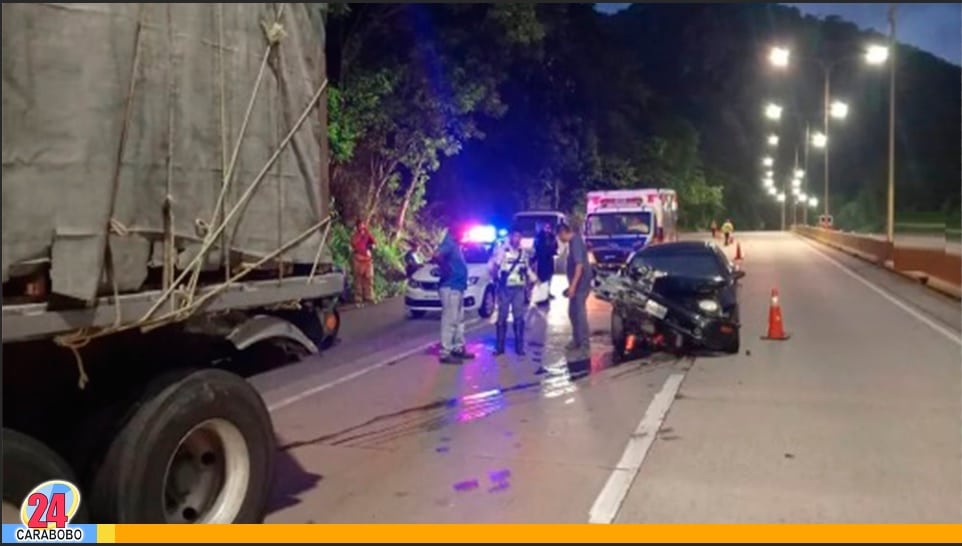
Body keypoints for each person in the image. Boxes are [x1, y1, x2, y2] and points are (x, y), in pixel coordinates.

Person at [489, 225, 535, 356]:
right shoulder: (503, 250)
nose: (518, 239)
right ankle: (499, 347)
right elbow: (494, 267)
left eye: (519, 236)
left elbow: (526, 268)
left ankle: (519, 348)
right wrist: (496, 281)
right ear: (510, 236)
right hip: (505, 288)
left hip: (519, 288)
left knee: (519, 318)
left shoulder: (523, 252)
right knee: (502, 317)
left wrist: (533, 280)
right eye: (515, 236)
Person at [434, 224, 475, 364]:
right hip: (450, 287)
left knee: (458, 320)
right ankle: (445, 352)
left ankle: (458, 347)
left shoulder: (455, 244)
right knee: (450, 320)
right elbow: (437, 255)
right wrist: (446, 269)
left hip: (458, 287)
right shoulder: (449, 243)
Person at [557, 223, 591, 356]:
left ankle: (584, 343)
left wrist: (573, 287)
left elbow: (579, 266)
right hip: (577, 284)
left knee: (579, 313)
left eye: (559, 236)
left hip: (580, 285)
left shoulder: (575, 242)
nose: (559, 239)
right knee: (572, 312)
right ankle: (576, 340)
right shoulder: (572, 243)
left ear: (563, 232)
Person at [351, 220, 376, 304]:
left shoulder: (368, 234)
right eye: (360, 225)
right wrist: (360, 236)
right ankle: (358, 297)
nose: (362, 227)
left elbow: (374, 243)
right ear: (357, 227)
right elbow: (353, 244)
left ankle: (369, 296)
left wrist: (371, 247)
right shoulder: (355, 235)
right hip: (358, 258)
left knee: (369, 278)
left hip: (367, 259)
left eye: (363, 225)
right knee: (358, 278)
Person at [533, 222, 558, 307]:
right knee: (543, 279)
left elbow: (555, 247)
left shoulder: (552, 237)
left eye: (549, 227)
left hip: (549, 260)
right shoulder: (540, 237)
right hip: (542, 261)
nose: (547, 229)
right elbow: (537, 248)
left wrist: (553, 249)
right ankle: (542, 298)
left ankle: (546, 295)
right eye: (546, 227)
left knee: (548, 278)